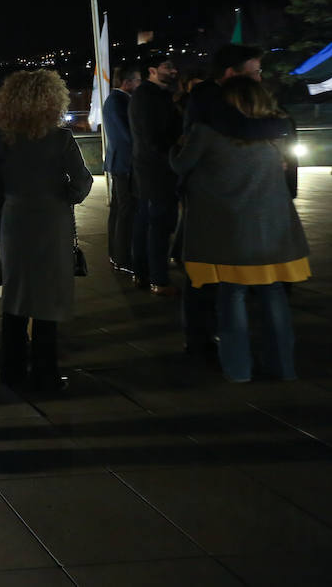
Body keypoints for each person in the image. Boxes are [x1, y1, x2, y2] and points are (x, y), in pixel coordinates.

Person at [170, 76, 309, 382]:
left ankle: (238, 370)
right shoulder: (278, 131)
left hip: (228, 233)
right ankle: (282, 367)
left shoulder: (207, 133)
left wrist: (175, 147)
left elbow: (180, 166)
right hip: (272, 231)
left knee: (231, 299)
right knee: (274, 298)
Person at [0, 70, 93, 391]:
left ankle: (12, 372)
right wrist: (63, 198)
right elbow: (83, 183)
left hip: (15, 222)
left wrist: (9, 197)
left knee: (16, 297)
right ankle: (46, 374)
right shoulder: (61, 139)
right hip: (51, 223)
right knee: (47, 300)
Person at [129, 52, 182, 295]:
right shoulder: (148, 97)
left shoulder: (153, 95)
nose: (173, 71)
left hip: (153, 167)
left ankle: (143, 273)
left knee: (149, 222)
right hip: (157, 169)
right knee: (158, 224)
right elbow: (152, 137)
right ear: (152, 70)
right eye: (167, 66)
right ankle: (157, 278)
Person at [102, 66, 142, 273]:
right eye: (137, 80)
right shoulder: (118, 101)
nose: (139, 84)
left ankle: (116, 254)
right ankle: (123, 258)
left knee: (119, 211)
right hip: (124, 164)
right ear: (126, 82)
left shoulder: (115, 100)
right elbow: (127, 134)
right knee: (125, 212)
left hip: (120, 162)